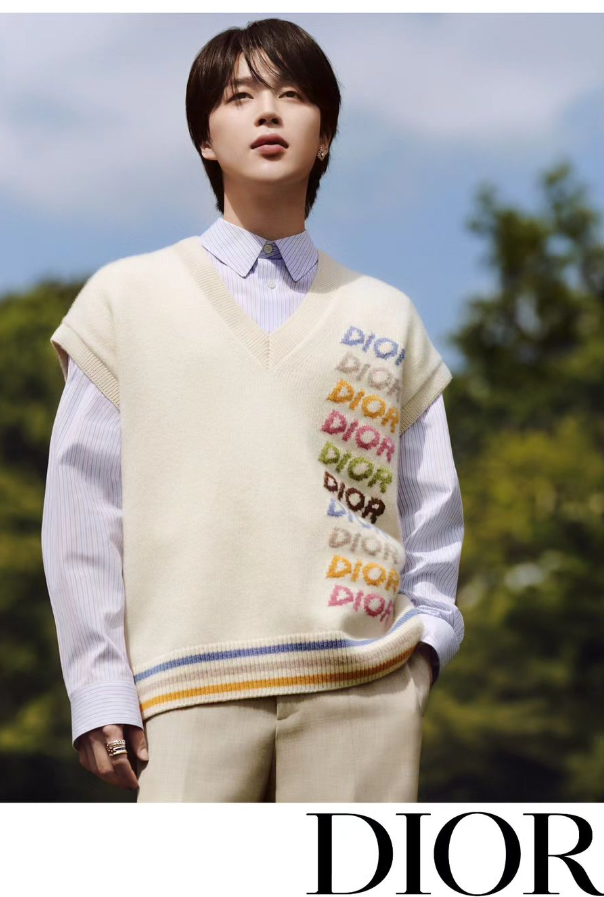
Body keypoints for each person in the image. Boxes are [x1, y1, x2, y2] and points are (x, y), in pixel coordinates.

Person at [41, 17, 464, 802]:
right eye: (240, 97)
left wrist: (426, 647)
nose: (268, 112)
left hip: (365, 693)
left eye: (292, 94)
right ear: (206, 139)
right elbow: (84, 509)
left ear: (325, 135)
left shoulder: (386, 314)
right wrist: (98, 684)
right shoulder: (124, 300)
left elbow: (430, 511)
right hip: (183, 693)